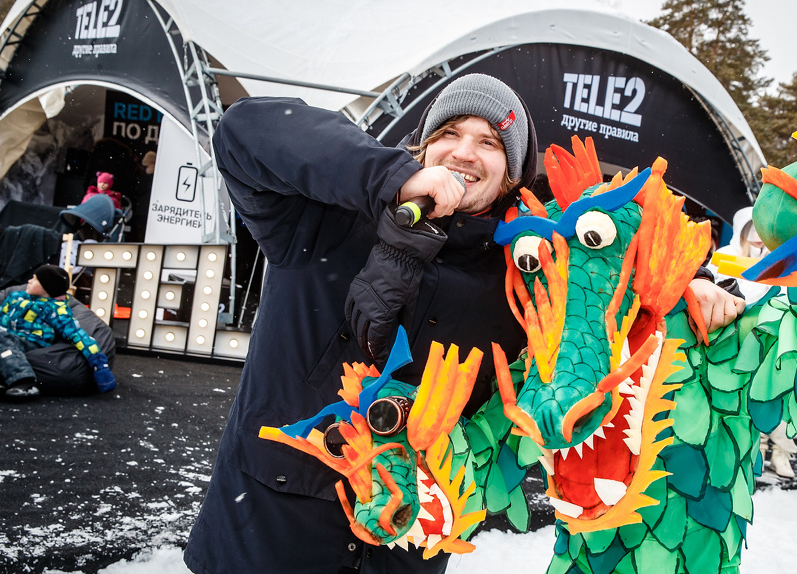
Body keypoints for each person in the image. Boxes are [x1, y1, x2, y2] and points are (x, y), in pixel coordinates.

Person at [183, 73, 745, 574]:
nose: (464, 153)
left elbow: (613, 255)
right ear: (422, 145)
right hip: (267, 536)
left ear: (510, 175)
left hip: (409, 550)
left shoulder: (524, 271)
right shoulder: (328, 220)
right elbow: (244, 129)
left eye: (490, 142)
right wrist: (392, 179)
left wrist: (692, 279)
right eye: (449, 133)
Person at [711, 206, 797, 478]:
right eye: (753, 232)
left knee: (778, 396)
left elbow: (789, 297)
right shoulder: (724, 257)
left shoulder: (781, 262)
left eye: (764, 233)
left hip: (771, 340)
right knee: (746, 399)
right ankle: (754, 450)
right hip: (734, 341)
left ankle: (783, 453)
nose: (759, 239)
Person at [0, 264, 115, 400]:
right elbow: (0, 313)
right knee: (0, 339)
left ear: (47, 287)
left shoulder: (55, 309)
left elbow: (76, 333)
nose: (29, 281)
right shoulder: (16, 298)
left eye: (35, 279)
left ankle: (24, 381)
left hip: (32, 342)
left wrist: (98, 361)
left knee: (0, 337)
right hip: (7, 340)